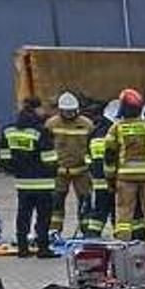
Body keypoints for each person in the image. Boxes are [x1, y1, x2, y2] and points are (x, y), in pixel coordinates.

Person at [108, 89, 145, 244]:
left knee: (124, 212)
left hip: (125, 177)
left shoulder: (116, 128)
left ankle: (123, 244)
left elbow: (109, 155)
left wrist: (110, 178)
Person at [0, 98, 59, 258]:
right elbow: (49, 160)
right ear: (36, 109)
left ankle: (22, 248)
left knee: (23, 215)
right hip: (43, 183)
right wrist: (55, 170)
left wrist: (16, 170)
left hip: (22, 183)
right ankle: (43, 248)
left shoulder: (8, 131)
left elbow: (4, 158)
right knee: (43, 217)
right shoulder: (40, 132)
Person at [46, 92, 96, 238]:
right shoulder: (51, 124)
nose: (69, 114)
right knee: (56, 204)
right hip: (59, 171)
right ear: (60, 110)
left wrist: (90, 163)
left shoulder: (86, 124)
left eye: (71, 111)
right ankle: (54, 231)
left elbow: (92, 146)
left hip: (82, 171)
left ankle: (87, 230)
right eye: (66, 111)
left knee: (85, 202)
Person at [85, 99, 119, 238]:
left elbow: (87, 158)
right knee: (117, 210)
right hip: (114, 180)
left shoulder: (95, 132)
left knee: (99, 210)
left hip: (99, 181)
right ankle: (121, 238)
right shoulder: (115, 133)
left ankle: (92, 236)